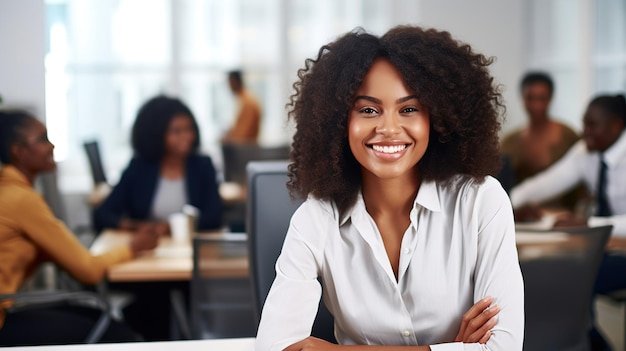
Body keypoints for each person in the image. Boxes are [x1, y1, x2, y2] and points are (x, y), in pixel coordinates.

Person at [255, 26, 524, 351]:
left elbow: (503, 349)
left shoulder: (480, 201)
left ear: (436, 119)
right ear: (340, 121)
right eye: (368, 110)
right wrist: (452, 349)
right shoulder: (317, 218)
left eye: (408, 109)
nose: (389, 128)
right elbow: (274, 346)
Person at [0, 110, 158, 346]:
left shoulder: (10, 193)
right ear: (18, 151)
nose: (51, 145)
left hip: (8, 308)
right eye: (42, 139)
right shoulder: (22, 199)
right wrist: (133, 247)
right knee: (115, 333)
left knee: (94, 316)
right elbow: (89, 271)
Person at [510, 93, 626, 351]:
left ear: (616, 126)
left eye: (592, 125)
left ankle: (590, 344)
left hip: (619, 247)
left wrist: (589, 223)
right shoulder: (587, 151)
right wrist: (506, 204)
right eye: (584, 123)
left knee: (576, 276)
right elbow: (545, 183)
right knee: (567, 270)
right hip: (608, 246)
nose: (584, 132)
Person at [93, 95, 223, 233]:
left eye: (189, 129)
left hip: (189, 247)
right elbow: (103, 215)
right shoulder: (140, 168)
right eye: (176, 131)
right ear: (156, 134)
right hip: (149, 249)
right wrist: (135, 227)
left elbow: (214, 218)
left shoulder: (202, 166)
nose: (186, 137)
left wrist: (170, 228)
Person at [500, 72, 583, 209]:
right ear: (522, 98)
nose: (536, 105)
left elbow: (581, 185)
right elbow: (502, 183)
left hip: (564, 217)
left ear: (551, 98)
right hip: (522, 216)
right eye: (530, 98)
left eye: (542, 98)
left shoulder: (568, 136)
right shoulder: (510, 142)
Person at [222, 70, 262, 143]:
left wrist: (227, 139)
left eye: (229, 83)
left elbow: (243, 135)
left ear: (234, 82)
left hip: (246, 149)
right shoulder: (244, 99)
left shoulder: (247, 102)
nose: (228, 86)